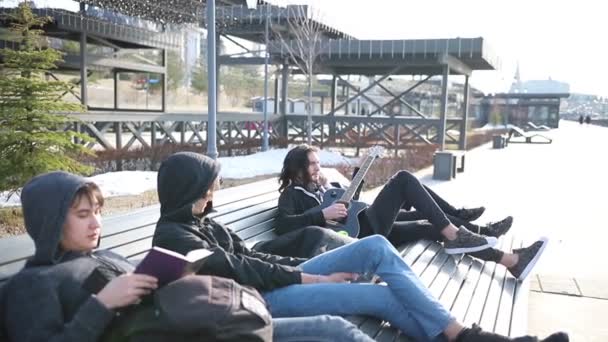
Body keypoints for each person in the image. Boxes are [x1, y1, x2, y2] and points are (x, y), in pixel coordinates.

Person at [152, 151, 568, 342]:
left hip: (283, 276)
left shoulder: (201, 221)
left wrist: (307, 265)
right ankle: (471, 338)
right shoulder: (175, 238)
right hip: (263, 300)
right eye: (211, 181)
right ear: (195, 187)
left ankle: (464, 334)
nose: (216, 187)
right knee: (380, 296)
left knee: (375, 247)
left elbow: (255, 255)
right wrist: (313, 274)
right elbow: (245, 272)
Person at [1, 171, 375, 342]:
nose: (96, 223)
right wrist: (102, 303)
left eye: (98, 212)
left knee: (333, 328)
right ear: (50, 221)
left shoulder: (105, 255)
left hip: (198, 326)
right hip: (186, 332)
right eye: (83, 215)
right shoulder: (32, 285)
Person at [274, 144, 548, 281]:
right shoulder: (292, 195)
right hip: (358, 238)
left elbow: (349, 209)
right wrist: (321, 215)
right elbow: (283, 225)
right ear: (297, 167)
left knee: (431, 223)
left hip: (366, 225)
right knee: (404, 179)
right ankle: (466, 225)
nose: (318, 168)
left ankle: (510, 261)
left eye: (318, 163)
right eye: (312, 164)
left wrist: (354, 177)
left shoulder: (321, 188)